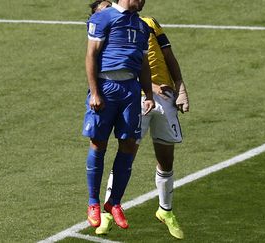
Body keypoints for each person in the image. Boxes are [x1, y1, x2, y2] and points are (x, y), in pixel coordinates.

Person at [89, 0, 190, 239]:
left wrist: (181, 87)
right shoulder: (109, 30)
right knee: (126, 151)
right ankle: (107, 211)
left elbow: (168, 55)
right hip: (136, 97)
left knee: (166, 157)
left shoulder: (148, 24)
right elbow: (114, 70)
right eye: (100, 10)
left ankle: (165, 210)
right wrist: (148, 89)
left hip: (163, 97)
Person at [83, 0, 155, 230]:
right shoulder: (103, 17)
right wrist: (95, 92)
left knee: (129, 144)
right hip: (106, 87)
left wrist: (149, 94)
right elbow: (91, 55)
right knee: (98, 143)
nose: (143, 1)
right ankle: (93, 202)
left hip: (131, 90)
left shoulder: (142, 26)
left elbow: (144, 65)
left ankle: (114, 202)